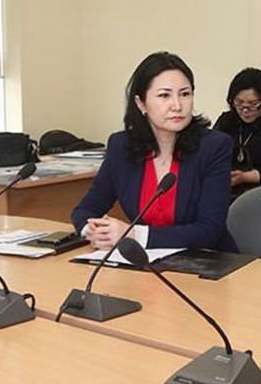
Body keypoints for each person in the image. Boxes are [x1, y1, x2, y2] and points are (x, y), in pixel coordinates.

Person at [71, 51, 237, 252]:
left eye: (185, 94)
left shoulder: (214, 146)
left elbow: (209, 232)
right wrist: (93, 232)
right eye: (164, 95)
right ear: (141, 103)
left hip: (207, 261)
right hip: (148, 262)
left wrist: (134, 235)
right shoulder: (122, 146)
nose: (177, 105)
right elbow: (85, 210)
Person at [213, 67, 261, 199]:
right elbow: (210, 152)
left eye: (253, 103)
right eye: (239, 103)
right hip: (225, 192)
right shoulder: (226, 121)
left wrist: (246, 177)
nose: (245, 110)